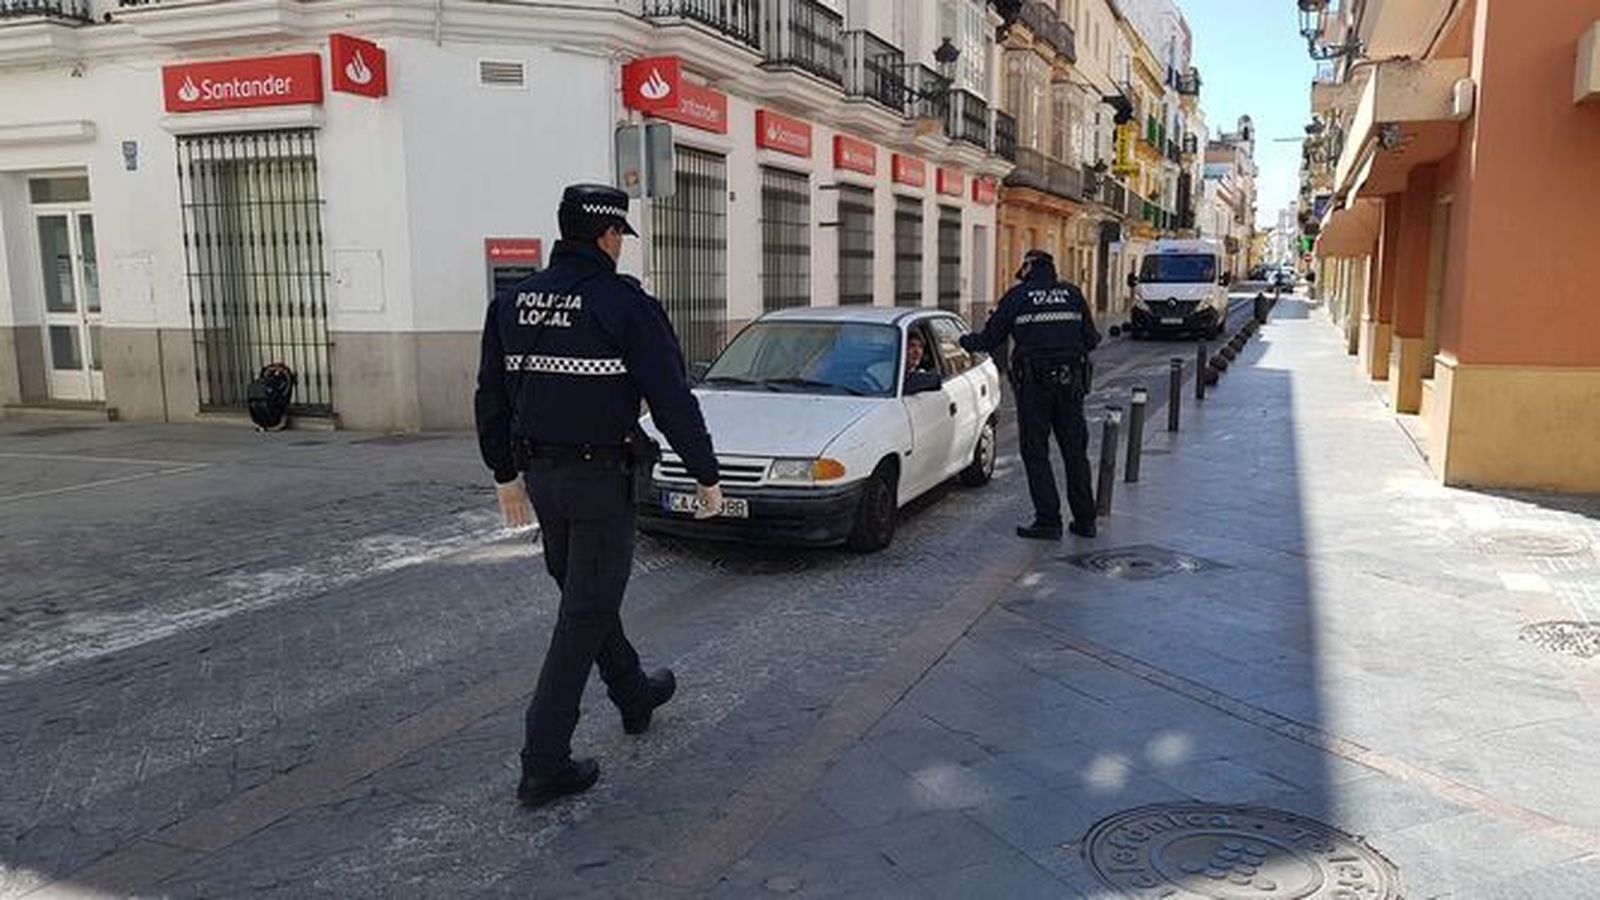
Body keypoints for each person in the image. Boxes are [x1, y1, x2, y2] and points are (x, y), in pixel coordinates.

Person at [475, 184, 723, 808]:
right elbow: (671, 399)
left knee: (586, 595)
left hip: (542, 479)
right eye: (620, 238)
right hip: (598, 482)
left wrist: (504, 473)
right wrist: (706, 473)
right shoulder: (625, 305)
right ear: (609, 237)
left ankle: (631, 689)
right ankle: (543, 759)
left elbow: (490, 398)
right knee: (584, 611)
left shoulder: (512, 301)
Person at [960, 249, 1100, 541]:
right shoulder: (1072, 294)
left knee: (1036, 453)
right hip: (1070, 385)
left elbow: (988, 340)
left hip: (1035, 388)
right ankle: (1086, 521)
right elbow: (1091, 339)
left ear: (1027, 268)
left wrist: (961, 340)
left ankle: (1049, 521)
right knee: (1075, 453)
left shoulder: (1017, 297)